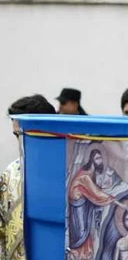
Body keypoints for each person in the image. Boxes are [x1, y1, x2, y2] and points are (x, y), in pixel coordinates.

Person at [3, 94, 56, 260]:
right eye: (16, 136)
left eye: (23, 136)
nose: (20, 143)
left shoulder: (69, 171)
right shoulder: (11, 173)